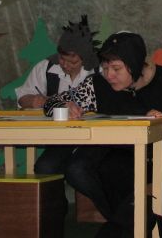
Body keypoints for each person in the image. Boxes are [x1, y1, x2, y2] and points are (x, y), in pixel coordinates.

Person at [44, 31, 162, 237]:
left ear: (135, 64)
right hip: (128, 155)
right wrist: (66, 106)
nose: (109, 75)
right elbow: (51, 102)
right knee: (104, 168)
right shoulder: (98, 84)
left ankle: (122, 230)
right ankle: (134, 224)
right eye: (105, 68)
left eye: (116, 69)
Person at [15, 14, 100, 174]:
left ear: (85, 58)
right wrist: (36, 101)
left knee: (79, 170)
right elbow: (23, 96)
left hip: (95, 137)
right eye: (62, 59)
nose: (65, 65)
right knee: (44, 167)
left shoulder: (99, 71)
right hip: (60, 137)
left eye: (73, 62)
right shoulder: (46, 67)